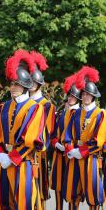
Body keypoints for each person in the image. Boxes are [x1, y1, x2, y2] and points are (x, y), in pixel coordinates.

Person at [0, 49, 44, 209]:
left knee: (23, 204)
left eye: (17, 84)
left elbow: (31, 139)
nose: (13, 87)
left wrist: (11, 158)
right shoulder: (2, 107)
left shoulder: (35, 108)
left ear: (25, 86)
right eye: (12, 83)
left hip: (22, 163)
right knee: (1, 204)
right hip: (2, 162)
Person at [63, 66, 106, 209]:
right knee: (72, 194)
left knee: (93, 196)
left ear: (93, 95)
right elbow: (67, 135)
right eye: (83, 94)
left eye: (88, 94)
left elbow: (98, 141)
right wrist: (70, 149)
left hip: (91, 159)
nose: (85, 96)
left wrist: (81, 152)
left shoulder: (100, 114)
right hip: (75, 158)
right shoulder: (75, 113)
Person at [28, 51, 56, 208]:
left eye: (34, 82)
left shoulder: (47, 105)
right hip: (24, 151)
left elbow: (48, 130)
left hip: (40, 152)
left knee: (39, 187)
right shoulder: (23, 102)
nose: (31, 84)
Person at [49, 73, 81, 210]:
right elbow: (54, 133)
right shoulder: (63, 113)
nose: (70, 98)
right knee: (58, 186)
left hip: (72, 156)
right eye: (69, 96)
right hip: (59, 154)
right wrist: (56, 143)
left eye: (73, 96)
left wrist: (69, 148)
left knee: (72, 188)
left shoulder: (80, 114)